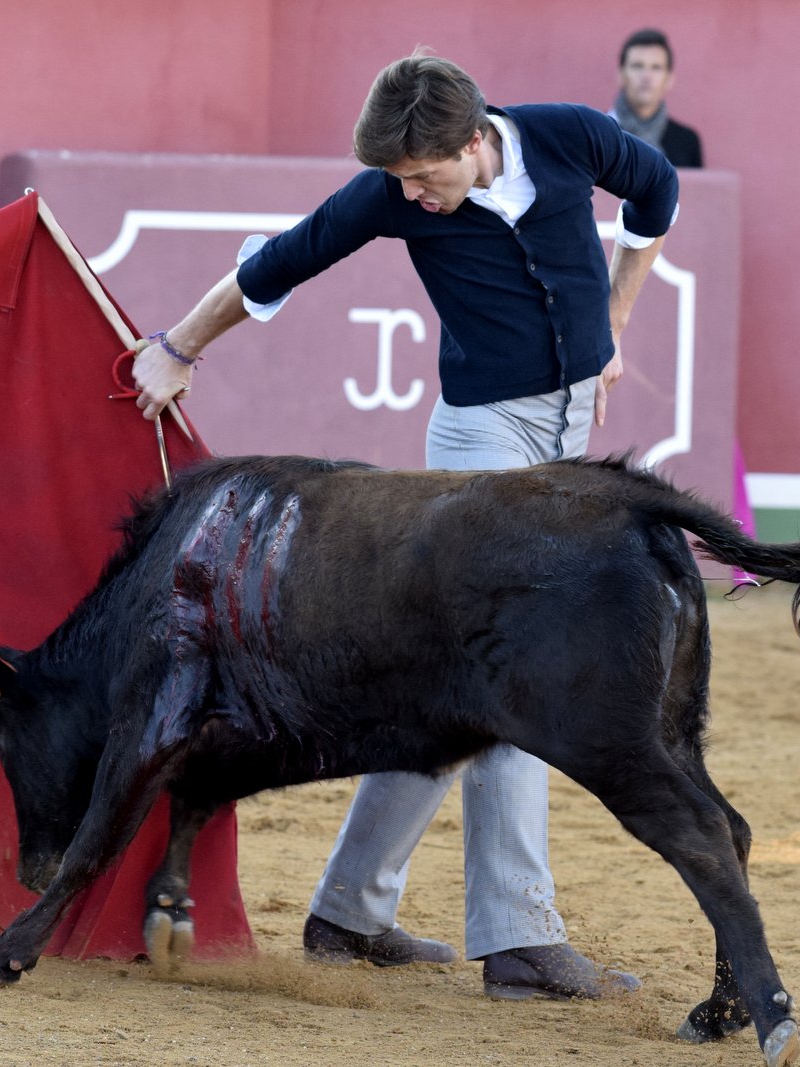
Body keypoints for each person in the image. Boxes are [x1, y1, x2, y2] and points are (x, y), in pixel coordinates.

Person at [130, 52, 676, 1000]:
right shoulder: (392, 191)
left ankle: (348, 910)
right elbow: (275, 267)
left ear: (476, 140)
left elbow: (656, 193)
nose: (414, 196)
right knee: (513, 667)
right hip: (480, 440)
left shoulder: (567, 136)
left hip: (569, 431)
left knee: (442, 681)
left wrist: (615, 323)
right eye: (401, 182)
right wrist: (178, 347)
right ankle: (519, 935)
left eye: (428, 177)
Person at [613, 28, 703, 168]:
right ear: (621, 75)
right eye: (637, 66)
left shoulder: (687, 141)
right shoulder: (600, 134)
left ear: (669, 79)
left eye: (656, 67)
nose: (646, 76)